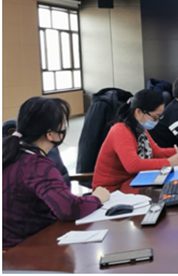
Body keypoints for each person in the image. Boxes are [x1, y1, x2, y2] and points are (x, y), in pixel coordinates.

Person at [3, 97, 110, 247]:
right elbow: (68, 208)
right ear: (50, 134)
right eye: (63, 123)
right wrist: (97, 198)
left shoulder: (11, 151)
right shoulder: (36, 165)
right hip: (27, 246)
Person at [93, 89, 178, 193]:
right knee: (164, 193)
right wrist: (169, 162)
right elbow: (133, 165)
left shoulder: (139, 128)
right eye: (155, 117)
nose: (157, 121)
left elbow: (156, 152)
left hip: (132, 180)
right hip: (111, 190)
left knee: (171, 186)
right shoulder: (120, 131)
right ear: (138, 112)